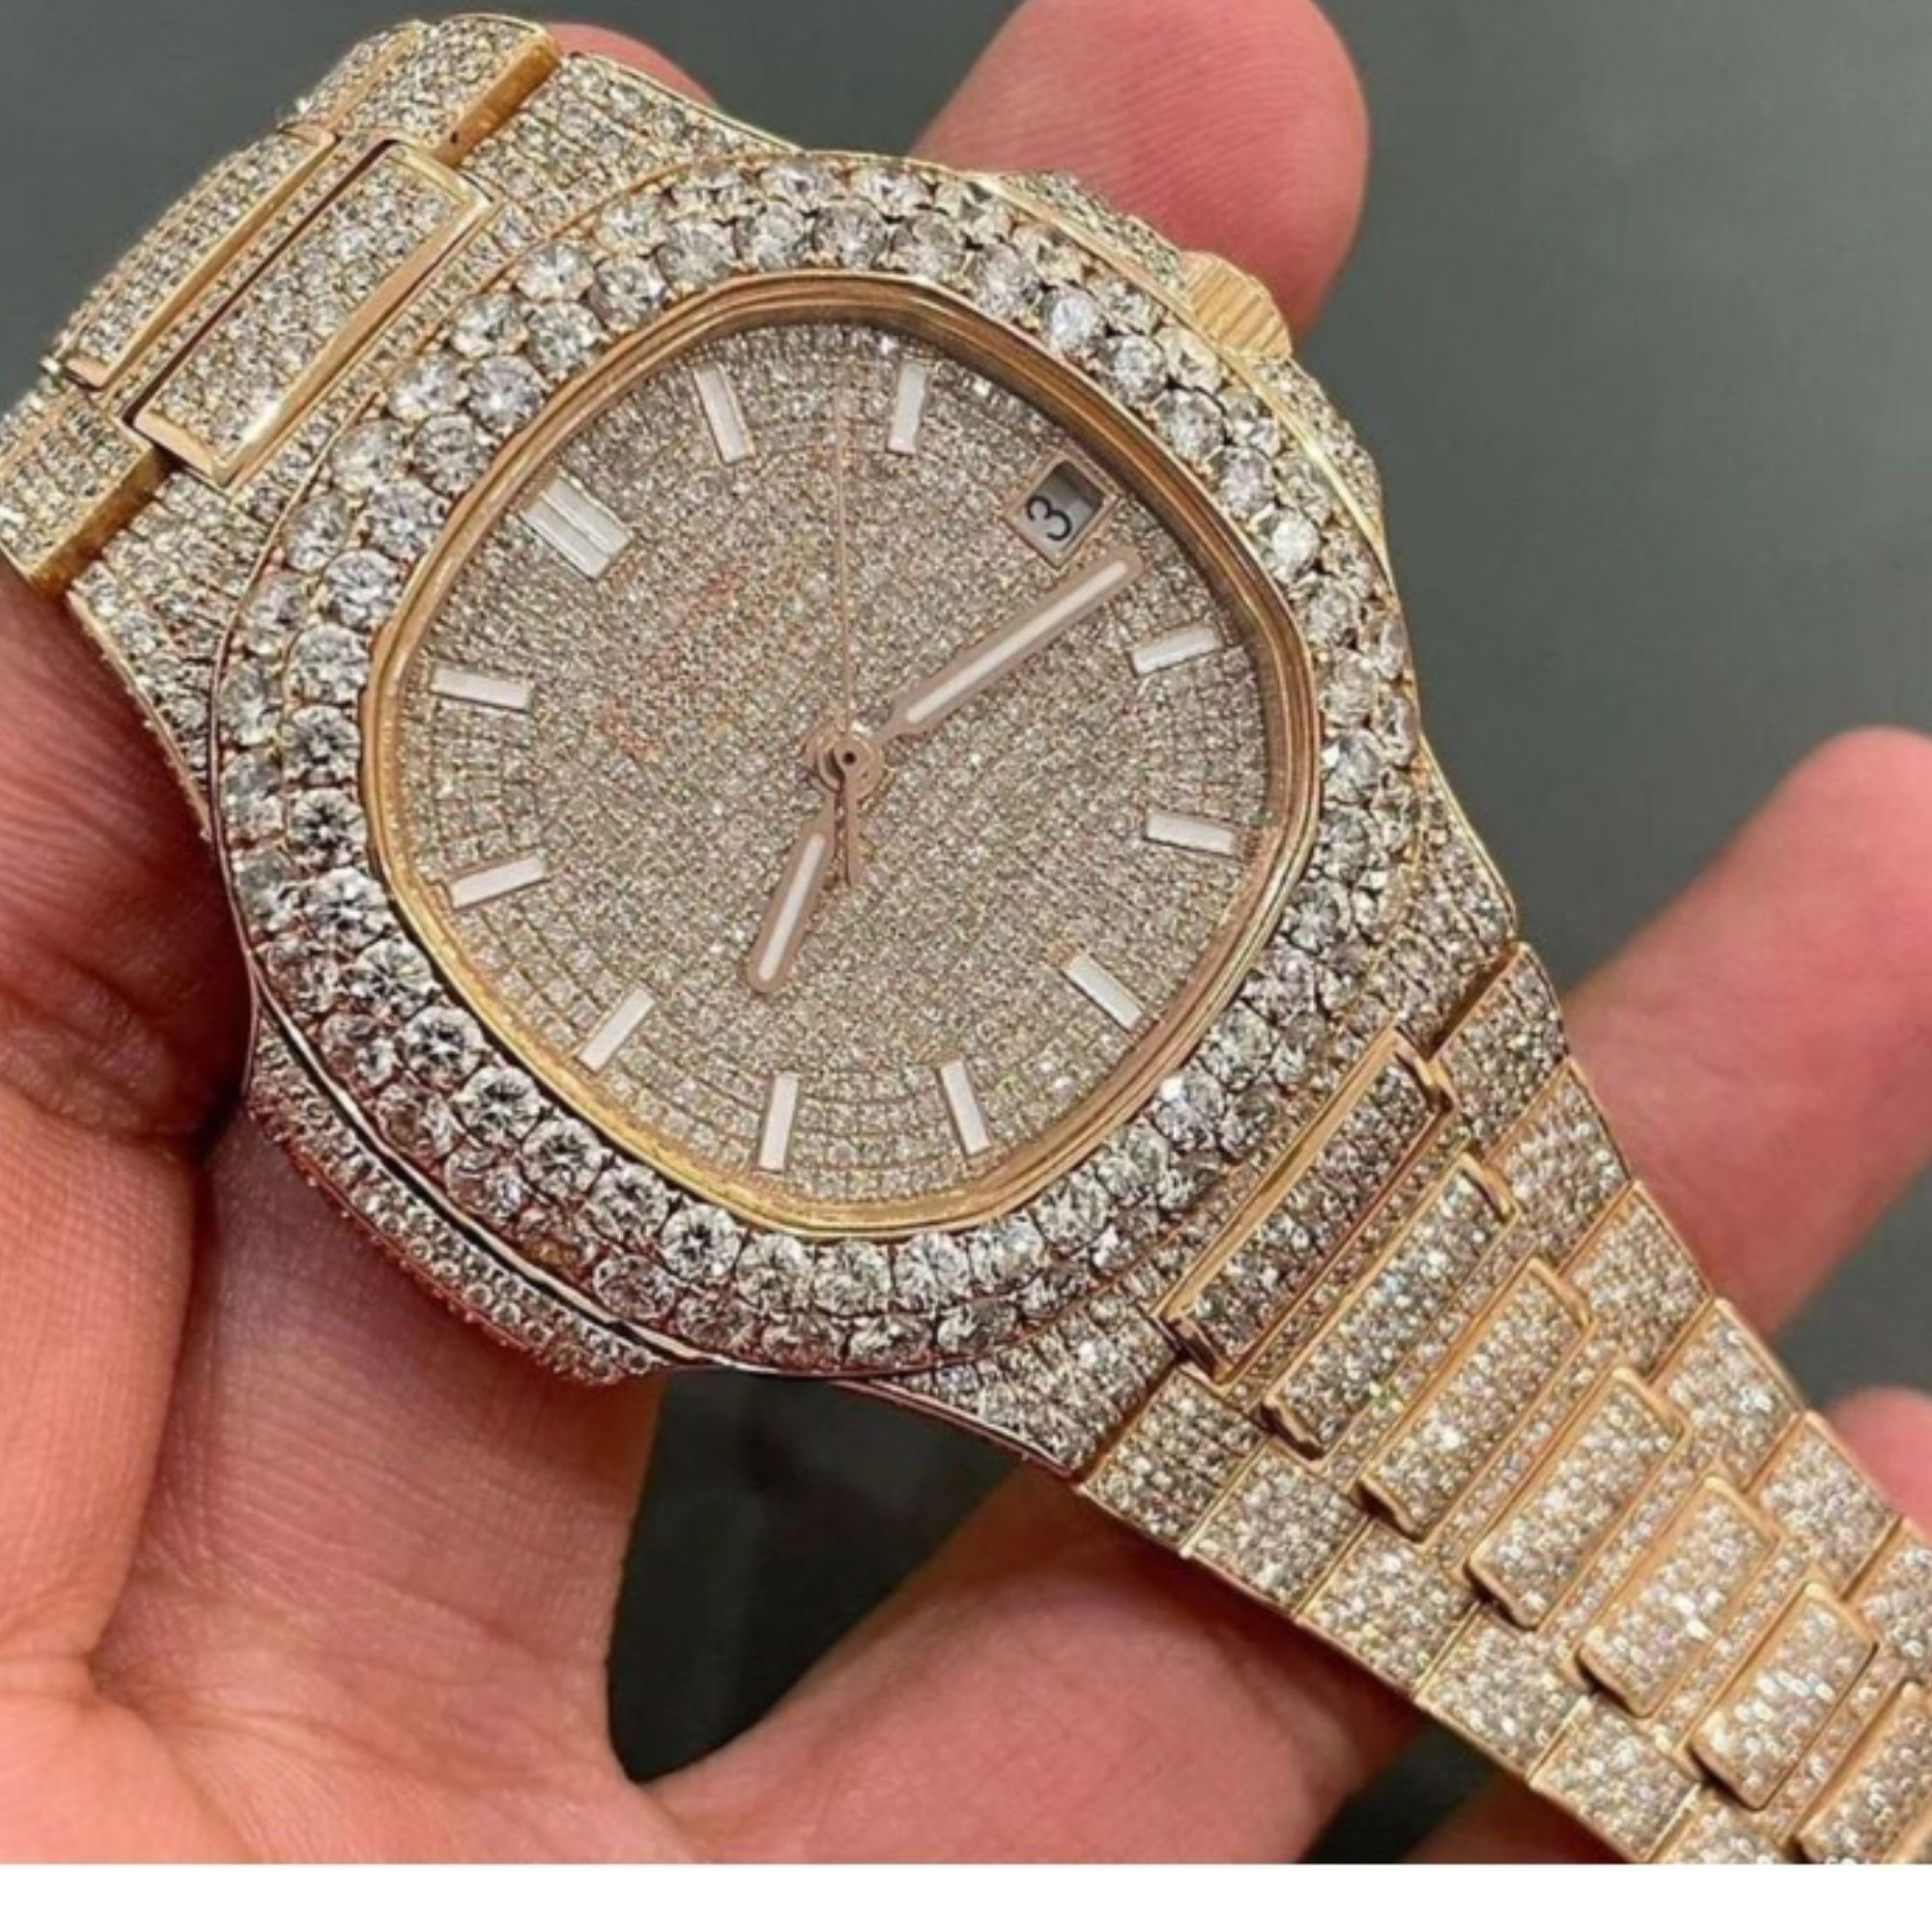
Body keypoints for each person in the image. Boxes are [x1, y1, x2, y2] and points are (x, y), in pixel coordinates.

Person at [2, 1, 1928, 1863]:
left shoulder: (600, 200)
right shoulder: (231, 644)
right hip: (1066, 1300)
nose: (842, 751)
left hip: (1368, 991)